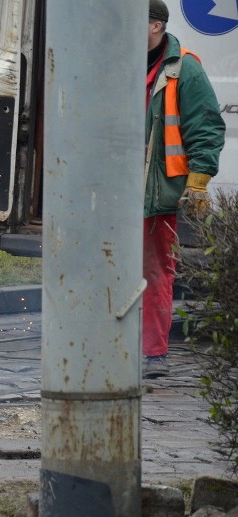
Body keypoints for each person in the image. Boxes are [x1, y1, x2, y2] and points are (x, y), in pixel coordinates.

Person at [143, 0, 224, 378]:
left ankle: (153, 355)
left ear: (156, 26)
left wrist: (198, 182)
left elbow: (205, 128)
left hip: (159, 193)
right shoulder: (116, 62)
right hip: (114, 192)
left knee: (156, 272)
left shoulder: (184, 69)